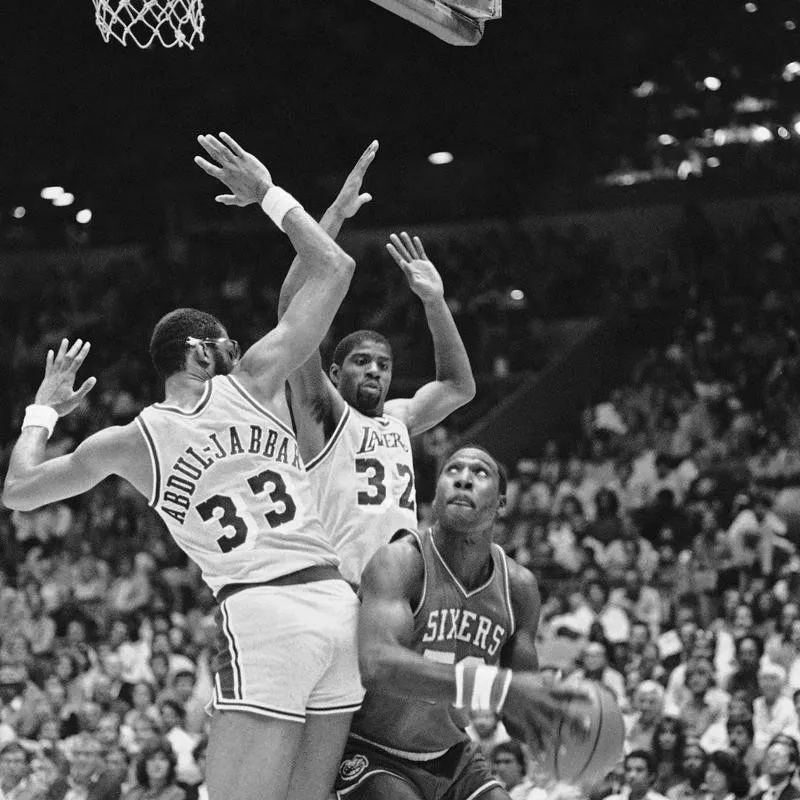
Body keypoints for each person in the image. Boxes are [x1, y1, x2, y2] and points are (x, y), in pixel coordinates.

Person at [2, 132, 366, 800]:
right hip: (338, 607)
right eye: (223, 339)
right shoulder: (256, 377)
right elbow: (335, 269)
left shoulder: (131, 441)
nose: (235, 344)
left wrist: (43, 411)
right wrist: (270, 198)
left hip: (264, 613)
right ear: (200, 350)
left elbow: (18, 491)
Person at [334, 445, 586, 800]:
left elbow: (516, 721)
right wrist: (497, 687)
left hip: (454, 756)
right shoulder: (403, 562)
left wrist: (553, 716)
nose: (464, 479)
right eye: (453, 471)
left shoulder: (519, 589)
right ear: (435, 496)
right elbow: (377, 665)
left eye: (480, 473)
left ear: (501, 503)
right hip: (373, 750)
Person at [277, 150, 476, 587]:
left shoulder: (400, 419)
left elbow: (458, 386)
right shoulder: (323, 412)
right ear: (333, 374)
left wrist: (435, 302)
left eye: (383, 365)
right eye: (361, 361)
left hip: (403, 590)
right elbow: (293, 308)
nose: (374, 371)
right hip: (342, 588)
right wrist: (334, 216)